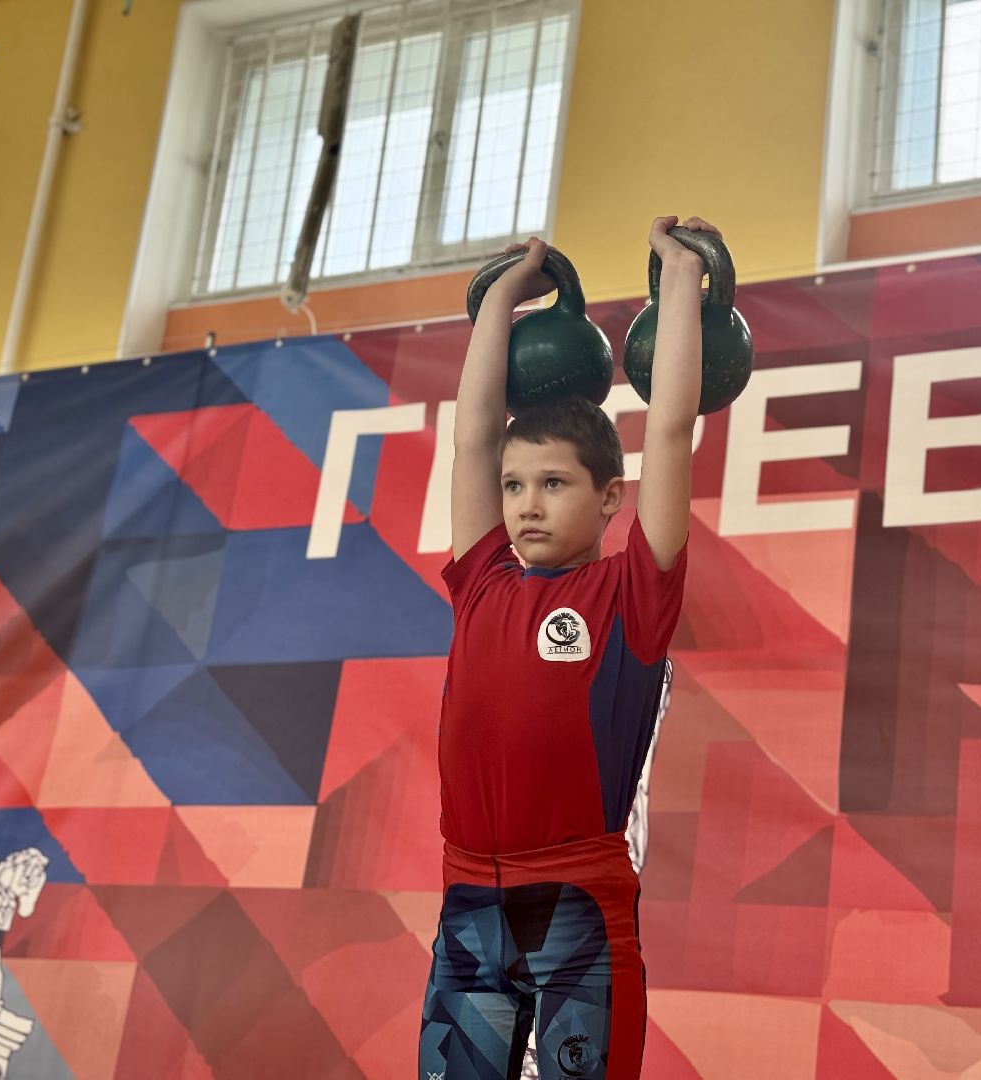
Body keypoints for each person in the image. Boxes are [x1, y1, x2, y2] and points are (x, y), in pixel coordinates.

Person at [419, 216, 713, 1080]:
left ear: (610, 499)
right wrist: (499, 307)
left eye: (553, 484)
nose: (526, 504)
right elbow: (474, 435)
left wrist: (684, 285)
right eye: (515, 486)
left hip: (579, 907)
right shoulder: (482, 582)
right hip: (467, 900)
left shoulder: (631, 595)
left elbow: (670, 429)